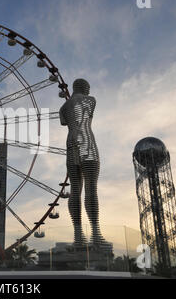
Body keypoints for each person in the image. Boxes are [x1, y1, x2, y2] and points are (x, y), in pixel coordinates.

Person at [59, 78, 107, 246]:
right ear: (85, 87)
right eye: (88, 87)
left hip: (70, 142)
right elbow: (87, 117)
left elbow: (64, 122)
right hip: (87, 141)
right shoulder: (90, 100)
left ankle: (78, 236)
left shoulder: (63, 107)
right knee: (91, 187)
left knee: (75, 189)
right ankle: (95, 233)